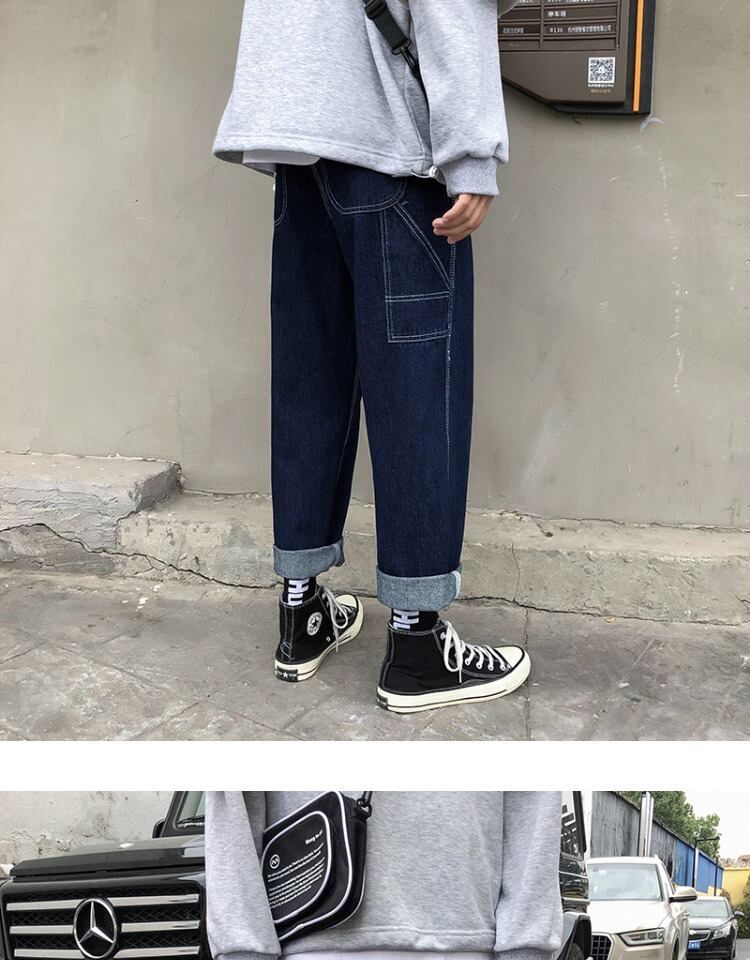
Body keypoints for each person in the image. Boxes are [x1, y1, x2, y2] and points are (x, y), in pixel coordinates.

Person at [213, 0, 529, 712]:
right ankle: (417, 645)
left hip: (301, 150)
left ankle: (301, 610)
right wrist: (471, 152)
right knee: (417, 392)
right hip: (387, 149)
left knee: (310, 382)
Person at [206, 791, 564, 960]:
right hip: (312, 945)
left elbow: (533, 805)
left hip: (468, 941)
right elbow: (232, 804)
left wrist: (526, 950)